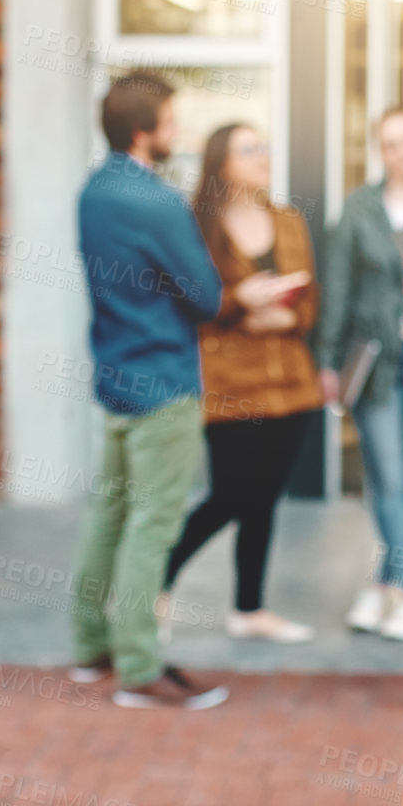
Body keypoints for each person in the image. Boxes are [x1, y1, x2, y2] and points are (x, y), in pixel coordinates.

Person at [68, 72, 230, 711]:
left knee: (109, 515)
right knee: (152, 526)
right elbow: (207, 296)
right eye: (170, 120)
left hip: (114, 378)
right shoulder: (157, 201)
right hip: (163, 381)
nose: (177, 131)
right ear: (144, 131)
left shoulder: (93, 192)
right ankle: (138, 667)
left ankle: (91, 647)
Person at [161, 123, 322, 644]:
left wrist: (291, 320)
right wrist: (240, 302)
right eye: (248, 150)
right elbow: (187, 303)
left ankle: (250, 610)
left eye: (264, 147)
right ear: (222, 163)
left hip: (291, 383)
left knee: (263, 502)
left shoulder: (289, 221)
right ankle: (154, 584)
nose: (262, 156)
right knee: (229, 496)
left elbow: (312, 297)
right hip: (231, 385)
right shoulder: (196, 226)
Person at [316, 109, 403, 641]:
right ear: (380, 152)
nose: (402, 152)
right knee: (387, 476)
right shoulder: (361, 209)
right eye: (391, 144)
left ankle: (379, 583)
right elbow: (339, 288)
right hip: (375, 359)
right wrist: (327, 360)